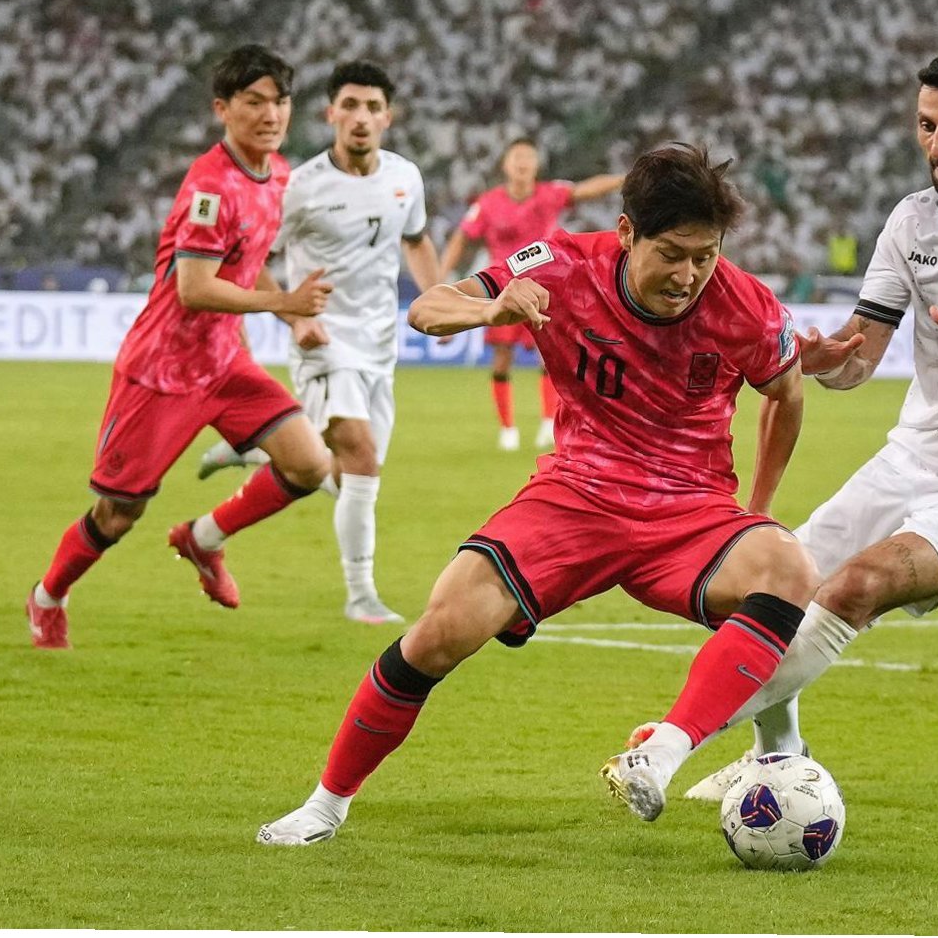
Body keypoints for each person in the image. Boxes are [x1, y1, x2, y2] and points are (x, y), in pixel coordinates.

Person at [255, 143, 862, 846]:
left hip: (691, 507)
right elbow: (427, 307)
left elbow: (786, 393)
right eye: (672, 254)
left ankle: (665, 752)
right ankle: (325, 805)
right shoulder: (561, 264)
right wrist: (493, 309)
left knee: (787, 569)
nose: (689, 275)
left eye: (706, 255)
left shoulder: (745, 303)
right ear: (627, 232)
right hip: (577, 494)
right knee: (442, 628)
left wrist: (757, 510)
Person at [680, 46, 938, 800]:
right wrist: (821, 360)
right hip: (912, 457)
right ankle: (776, 758)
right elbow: (859, 358)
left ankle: (674, 740)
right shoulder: (910, 222)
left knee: (860, 584)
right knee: (767, 588)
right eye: (927, 125)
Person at [25, 44, 335, 649]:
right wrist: (285, 303)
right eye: (254, 101)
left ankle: (202, 538)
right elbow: (195, 289)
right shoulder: (210, 187)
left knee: (309, 464)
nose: (271, 114)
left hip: (223, 363)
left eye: (280, 101)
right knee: (118, 514)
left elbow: (246, 260)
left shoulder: (277, 174)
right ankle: (48, 596)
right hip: (162, 372)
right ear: (223, 108)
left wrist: (292, 317)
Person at [196, 60, 443, 626]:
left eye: (373, 107)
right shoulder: (300, 186)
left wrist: (441, 300)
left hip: (379, 344)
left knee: (346, 473)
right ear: (330, 113)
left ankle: (255, 455)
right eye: (349, 105)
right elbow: (248, 258)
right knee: (360, 456)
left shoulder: (405, 177)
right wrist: (291, 315)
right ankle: (361, 595)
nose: (361, 118)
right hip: (322, 338)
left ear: (388, 117)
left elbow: (416, 240)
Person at [439, 137, 623, 451]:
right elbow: (461, 238)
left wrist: (623, 179)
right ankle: (507, 428)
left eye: (528, 157)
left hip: (546, 287)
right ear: (505, 165)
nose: (522, 163)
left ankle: (548, 422)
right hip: (503, 289)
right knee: (501, 361)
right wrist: (442, 276)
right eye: (517, 157)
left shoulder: (550, 194)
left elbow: (585, 190)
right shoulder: (488, 203)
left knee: (551, 357)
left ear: (537, 164)